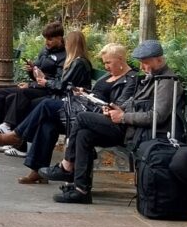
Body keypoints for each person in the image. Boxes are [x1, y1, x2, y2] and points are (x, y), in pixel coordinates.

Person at [53, 39, 181, 204]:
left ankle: (67, 166)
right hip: (129, 127)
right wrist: (117, 109)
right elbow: (135, 103)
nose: (142, 67)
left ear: (159, 59)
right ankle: (81, 189)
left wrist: (123, 117)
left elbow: (157, 116)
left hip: (139, 135)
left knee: (82, 117)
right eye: (141, 63)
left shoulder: (166, 82)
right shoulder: (153, 77)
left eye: (146, 63)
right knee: (85, 134)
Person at [17, 42, 138, 184]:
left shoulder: (131, 79)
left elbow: (119, 106)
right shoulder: (109, 75)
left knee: (46, 105)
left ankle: (18, 136)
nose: (106, 66)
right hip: (83, 110)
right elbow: (97, 94)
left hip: (97, 118)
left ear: (120, 59)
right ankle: (37, 170)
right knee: (48, 123)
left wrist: (98, 103)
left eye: (109, 62)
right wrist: (85, 93)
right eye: (104, 63)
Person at [0, 22, 91, 136]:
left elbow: (61, 84)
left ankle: (14, 137)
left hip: (55, 92)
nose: (46, 42)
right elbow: (52, 78)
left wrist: (33, 84)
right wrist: (32, 70)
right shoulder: (47, 52)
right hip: (48, 87)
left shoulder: (75, 62)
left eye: (50, 39)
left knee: (22, 98)